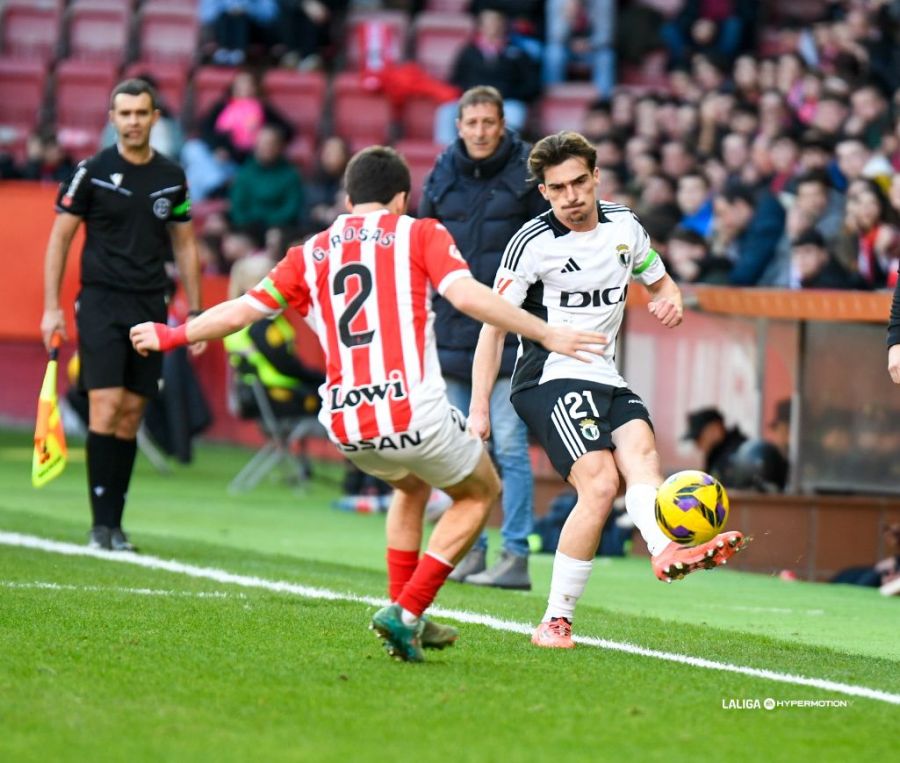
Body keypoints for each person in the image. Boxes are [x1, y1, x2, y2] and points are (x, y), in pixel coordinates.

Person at [129, 146, 606, 662]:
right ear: (401, 198)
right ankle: (406, 613)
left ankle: (404, 614)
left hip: (345, 421)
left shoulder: (308, 252)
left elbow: (242, 311)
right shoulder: (419, 232)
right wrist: (546, 332)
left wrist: (173, 335)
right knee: (479, 492)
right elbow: (468, 298)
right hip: (412, 410)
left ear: (348, 198)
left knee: (411, 485)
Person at [468, 131, 747, 649]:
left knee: (643, 458)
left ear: (596, 177)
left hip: (605, 375)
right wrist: (478, 409)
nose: (572, 197)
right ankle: (554, 622)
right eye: (558, 188)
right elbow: (492, 326)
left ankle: (665, 549)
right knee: (598, 484)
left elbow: (659, 281)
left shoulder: (625, 227)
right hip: (548, 376)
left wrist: (672, 300)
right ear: (544, 193)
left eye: (579, 182)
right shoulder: (532, 245)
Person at [40, 78, 205, 552]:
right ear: (112, 119)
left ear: (156, 118)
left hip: (149, 307)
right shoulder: (90, 171)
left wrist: (194, 313)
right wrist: (52, 307)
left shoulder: (172, 177)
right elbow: (60, 239)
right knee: (106, 406)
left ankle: (116, 524)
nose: (133, 121)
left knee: (132, 414)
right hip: (100, 303)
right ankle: (99, 524)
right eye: (125, 113)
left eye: (141, 113)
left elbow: (185, 243)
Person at [419, 85, 548, 590]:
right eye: (470, 124)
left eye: (487, 123)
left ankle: (515, 555)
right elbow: (420, 241)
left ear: (502, 124)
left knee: (510, 446)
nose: (479, 132)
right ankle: (469, 551)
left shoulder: (526, 174)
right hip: (452, 331)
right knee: (458, 448)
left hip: (511, 331)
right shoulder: (441, 173)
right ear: (458, 126)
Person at [682, 407, 747, 484]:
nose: (697, 444)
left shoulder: (737, 455)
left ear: (715, 429)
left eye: (698, 437)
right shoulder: (716, 455)